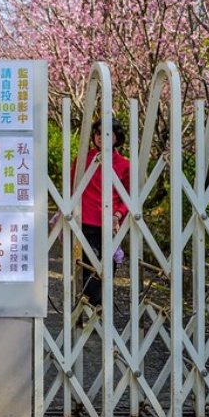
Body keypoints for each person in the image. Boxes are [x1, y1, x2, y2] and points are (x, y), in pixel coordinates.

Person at [75, 117, 130, 307]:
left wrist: (118, 215)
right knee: (85, 267)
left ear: (117, 137)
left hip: (110, 225)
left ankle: (98, 310)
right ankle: (86, 309)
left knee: (106, 268)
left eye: (107, 134)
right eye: (98, 133)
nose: (101, 137)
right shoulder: (83, 160)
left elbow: (128, 199)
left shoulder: (124, 165)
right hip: (85, 222)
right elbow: (72, 189)